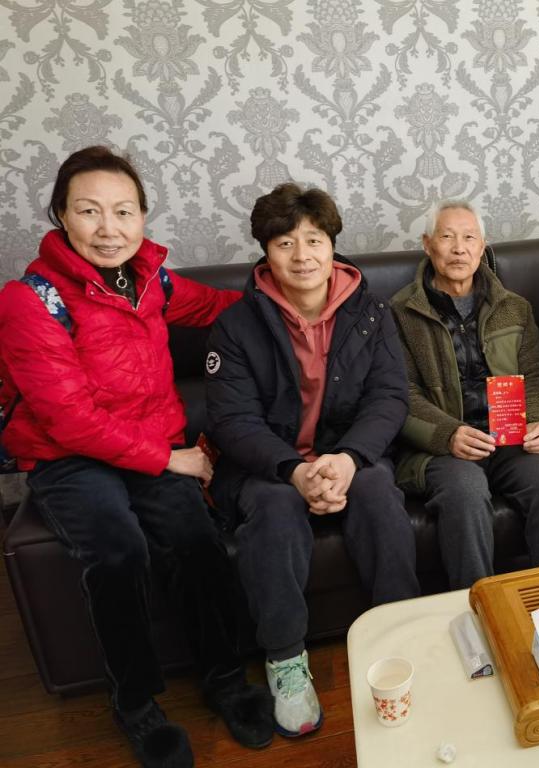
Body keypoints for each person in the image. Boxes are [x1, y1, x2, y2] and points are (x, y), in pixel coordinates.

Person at [0, 146, 273, 768]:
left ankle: (225, 680)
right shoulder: (30, 299)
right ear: (61, 215)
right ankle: (135, 703)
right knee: (118, 549)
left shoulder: (153, 280)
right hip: (69, 457)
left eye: (123, 211)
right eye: (89, 211)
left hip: (151, 442)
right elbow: (68, 419)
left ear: (143, 216)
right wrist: (169, 459)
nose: (109, 228)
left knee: (197, 540)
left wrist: (295, 297)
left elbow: (220, 309)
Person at [205, 183, 420, 736]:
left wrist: (348, 459)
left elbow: (389, 398)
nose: (302, 256)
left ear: (332, 245)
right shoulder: (235, 325)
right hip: (269, 467)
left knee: (378, 491)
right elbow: (233, 421)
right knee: (276, 509)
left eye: (314, 240)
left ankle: (401, 633)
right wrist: (296, 471)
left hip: (348, 454)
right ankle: (285, 660)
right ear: (266, 252)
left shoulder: (371, 313)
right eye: (285, 243)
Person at [390, 200, 539, 589]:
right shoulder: (400, 312)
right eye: (447, 237)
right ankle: (477, 605)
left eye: (469, 237)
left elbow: (538, 376)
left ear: (482, 246)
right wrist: (448, 434)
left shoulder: (514, 308)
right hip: (442, 449)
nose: (459, 248)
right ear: (428, 244)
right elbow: (400, 392)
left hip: (509, 440)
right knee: (464, 491)